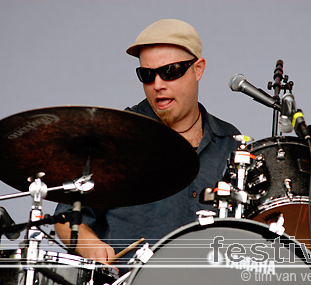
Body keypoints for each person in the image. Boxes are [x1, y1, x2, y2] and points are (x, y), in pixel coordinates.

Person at [54, 19, 241, 273]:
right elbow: (66, 219)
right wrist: (89, 245)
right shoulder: (117, 135)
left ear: (198, 69)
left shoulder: (230, 142)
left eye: (170, 71)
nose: (158, 85)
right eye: (147, 74)